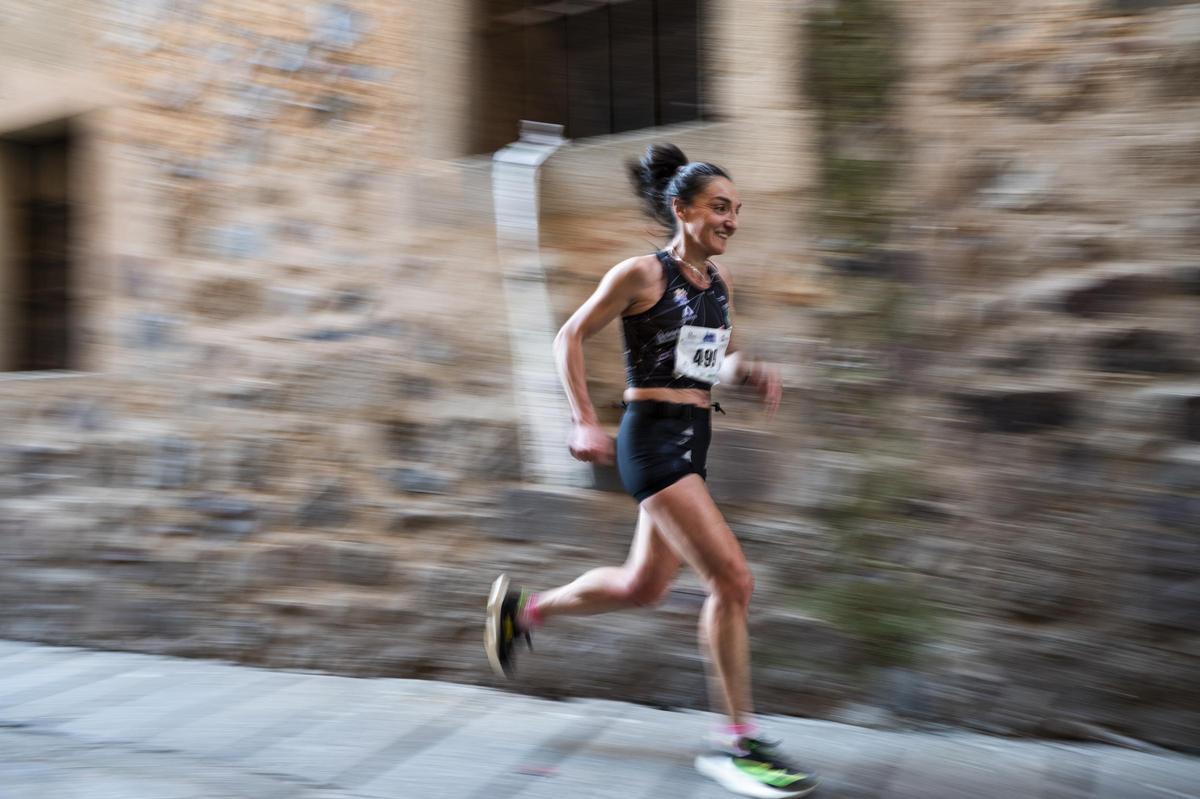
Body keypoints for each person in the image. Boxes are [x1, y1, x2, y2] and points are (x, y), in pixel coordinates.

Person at [485, 143, 819, 799]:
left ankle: (524, 612)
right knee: (733, 580)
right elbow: (569, 335)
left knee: (643, 586)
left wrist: (746, 370)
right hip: (652, 443)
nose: (731, 220)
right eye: (719, 207)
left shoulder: (717, 285)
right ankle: (739, 744)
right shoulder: (641, 273)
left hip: (693, 441)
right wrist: (583, 419)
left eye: (737, 209)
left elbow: (704, 361)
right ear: (681, 208)